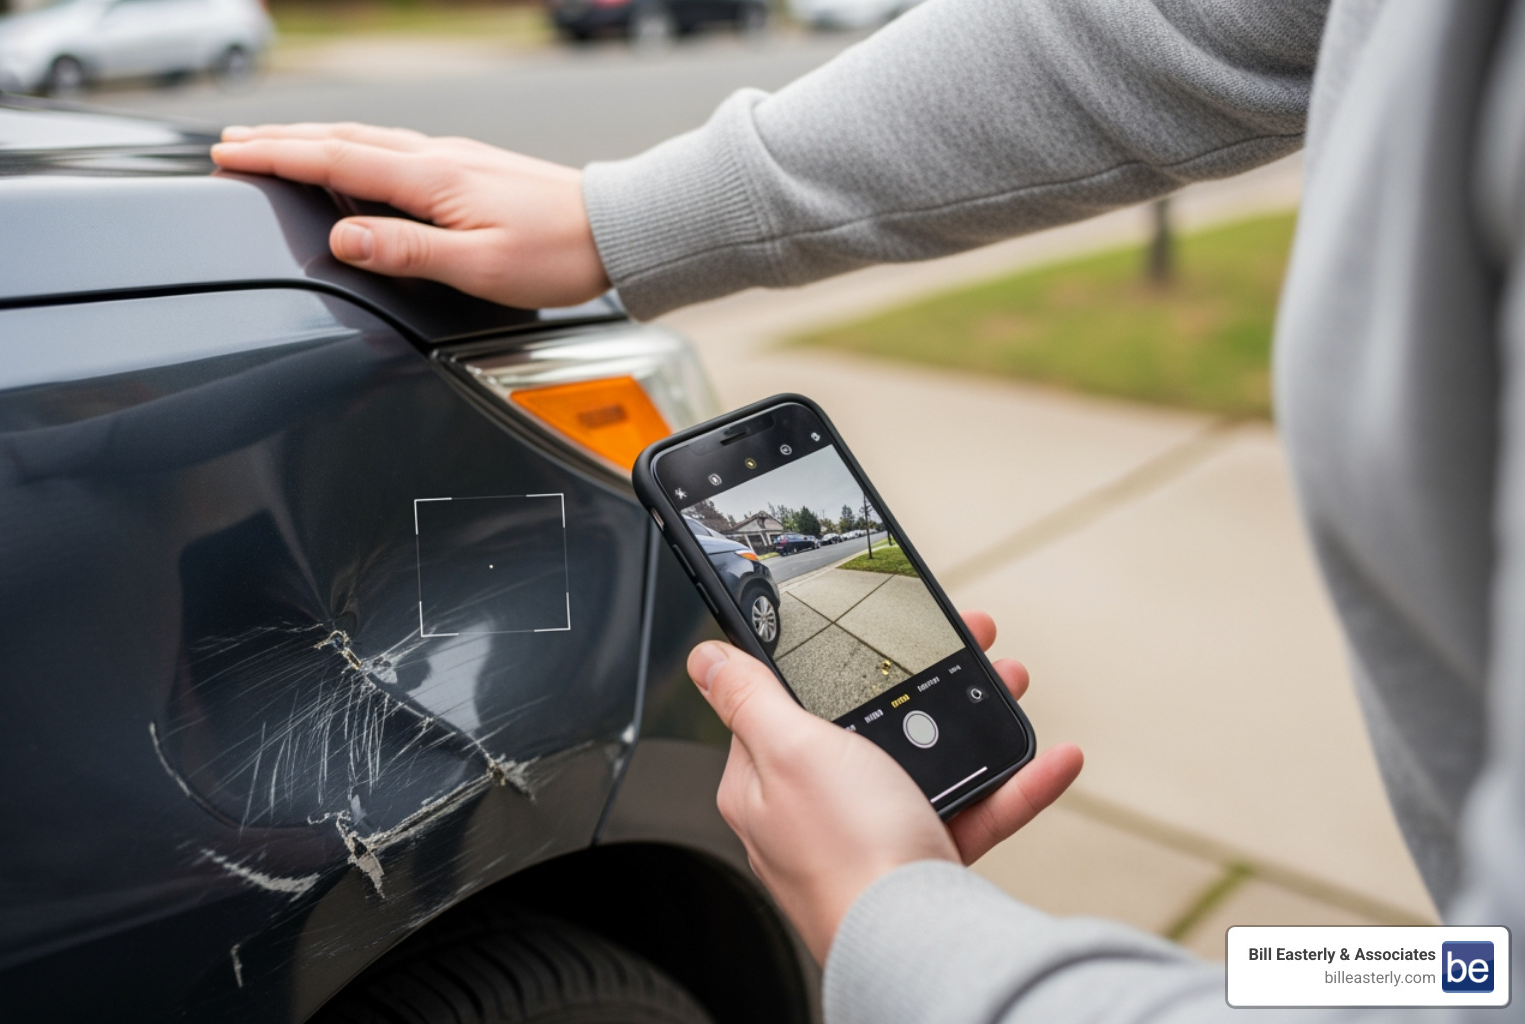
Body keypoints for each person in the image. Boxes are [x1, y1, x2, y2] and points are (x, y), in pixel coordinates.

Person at [212, 0, 1525, 1018]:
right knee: (1393, 970)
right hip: (1468, 938)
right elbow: (1171, 29)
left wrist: (893, 924)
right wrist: (623, 218)